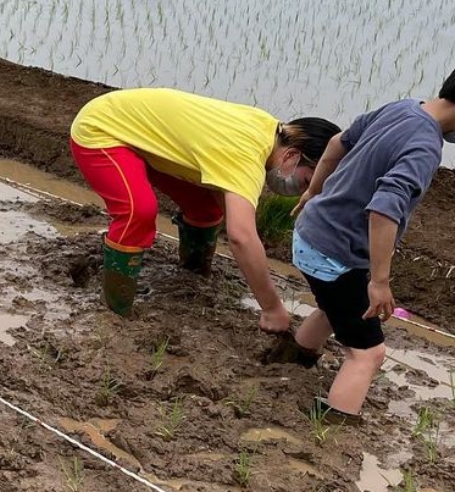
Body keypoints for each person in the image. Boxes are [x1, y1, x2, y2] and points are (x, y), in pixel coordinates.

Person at [70, 88, 340, 327]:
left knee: (206, 209)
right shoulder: (246, 153)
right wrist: (272, 308)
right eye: (307, 181)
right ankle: (116, 309)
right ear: (292, 155)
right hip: (102, 129)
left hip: (139, 136)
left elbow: (232, 212)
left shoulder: (267, 129)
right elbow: (241, 237)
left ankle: (192, 275)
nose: (303, 192)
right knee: (137, 212)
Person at [274, 74, 454, 422]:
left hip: (311, 233)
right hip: (336, 254)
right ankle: (331, 426)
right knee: (368, 353)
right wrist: (380, 282)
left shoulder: (404, 107)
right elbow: (384, 208)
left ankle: (290, 361)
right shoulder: (425, 146)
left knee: (333, 309)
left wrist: (313, 193)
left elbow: (338, 142)